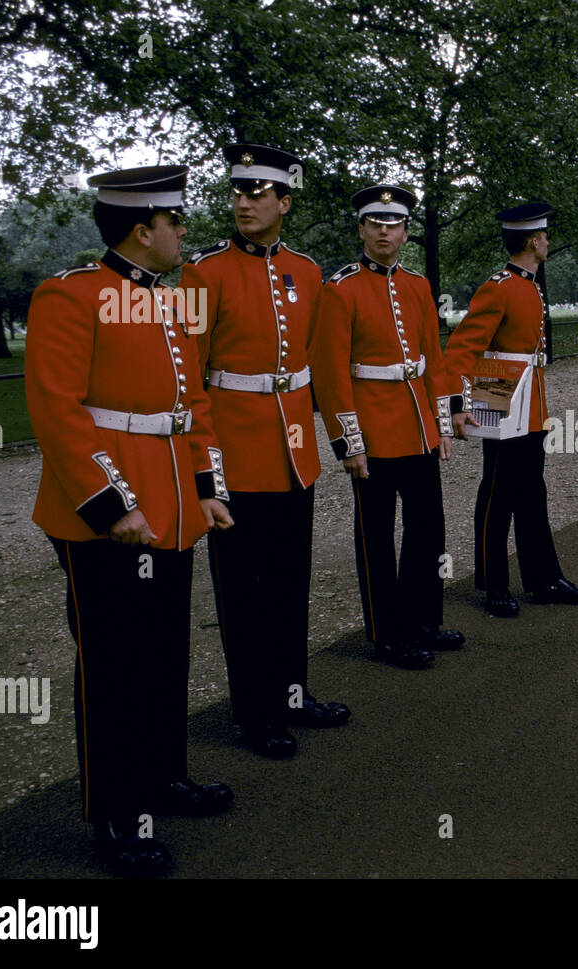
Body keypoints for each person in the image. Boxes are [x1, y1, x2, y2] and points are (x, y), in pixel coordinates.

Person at [26, 165, 235, 876]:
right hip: (110, 515)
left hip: (173, 505)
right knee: (113, 667)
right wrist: (112, 504)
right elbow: (59, 412)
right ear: (142, 229)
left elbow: (193, 406)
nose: (184, 231)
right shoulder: (70, 295)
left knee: (164, 653)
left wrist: (209, 486)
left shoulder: (167, 302)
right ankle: (113, 816)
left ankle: (161, 779)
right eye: (175, 221)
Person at [181, 144, 349, 759]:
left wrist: (336, 436)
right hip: (235, 455)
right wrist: (206, 469)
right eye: (237, 192)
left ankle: (292, 694)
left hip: (293, 451)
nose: (244, 202)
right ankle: (255, 712)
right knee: (243, 594)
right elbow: (190, 381)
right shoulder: (204, 273)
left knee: (289, 582)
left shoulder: (306, 271)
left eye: (258, 193)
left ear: (284, 201)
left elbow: (314, 365)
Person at [312, 184, 465, 668]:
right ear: (361, 229)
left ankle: (423, 619)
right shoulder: (339, 288)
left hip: (418, 426)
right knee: (375, 537)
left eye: (393, 224)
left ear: (405, 232)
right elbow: (331, 374)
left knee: (427, 529)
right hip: (373, 432)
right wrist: (347, 441)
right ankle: (386, 632)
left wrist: (439, 423)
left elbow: (433, 360)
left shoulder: (418, 285)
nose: (384, 231)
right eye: (375, 224)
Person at [443, 203, 578, 617]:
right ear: (534, 240)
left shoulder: (528, 284)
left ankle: (544, 578)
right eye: (545, 237)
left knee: (532, 492)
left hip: (530, 403)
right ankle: (493, 583)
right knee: (497, 493)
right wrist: (458, 404)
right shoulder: (499, 287)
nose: (547, 242)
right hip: (501, 399)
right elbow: (461, 349)